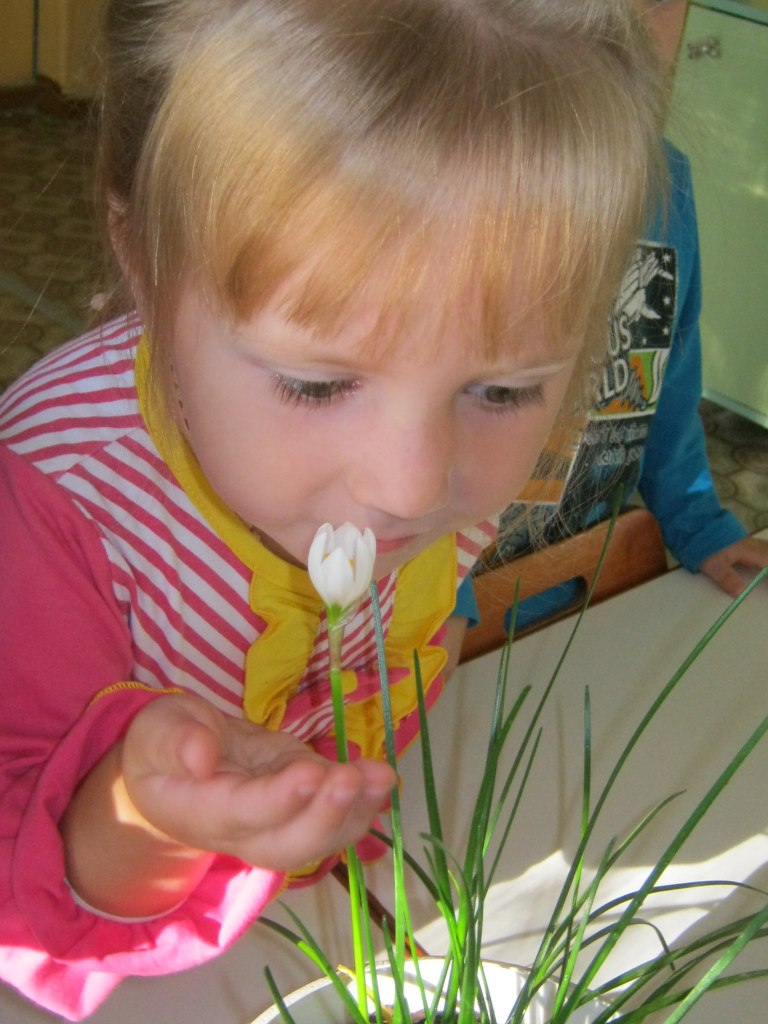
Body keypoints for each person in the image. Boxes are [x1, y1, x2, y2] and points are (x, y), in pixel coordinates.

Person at [0, 1, 666, 1019]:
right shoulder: (56, 506)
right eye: (316, 384)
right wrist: (148, 818)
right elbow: (22, 877)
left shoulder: (417, 466)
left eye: (501, 390)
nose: (412, 489)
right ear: (146, 263)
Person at [491, 0, 768, 625]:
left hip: (580, 599)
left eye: (658, 3)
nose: (624, 26)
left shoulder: (667, 184)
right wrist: (440, 607)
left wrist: (700, 524)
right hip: (422, 621)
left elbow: (666, 396)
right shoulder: (449, 187)